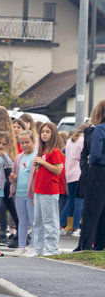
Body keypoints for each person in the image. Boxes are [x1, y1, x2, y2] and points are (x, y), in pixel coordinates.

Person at [30, 123, 64, 257]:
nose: (44, 134)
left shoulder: (55, 151)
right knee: (37, 222)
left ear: (53, 134)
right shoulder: (43, 151)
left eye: (47, 132)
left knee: (50, 221)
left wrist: (43, 163)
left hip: (49, 191)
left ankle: (51, 250)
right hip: (39, 190)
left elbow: (58, 170)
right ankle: (37, 249)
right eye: (42, 132)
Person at [76, 100, 105, 251]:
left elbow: (95, 152)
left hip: (99, 170)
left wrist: (90, 160)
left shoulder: (100, 128)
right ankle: (100, 245)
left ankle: (84, 245)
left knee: (91, 209)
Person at [0, 107, 19, 246]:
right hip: (9, 167)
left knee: (2, 202)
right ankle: (19, 230)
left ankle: (1, 232)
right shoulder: (10, 132)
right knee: (9, 203)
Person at [11, 130, 37, 257]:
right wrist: (12, 177)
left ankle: (33, 245)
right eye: (22, 143)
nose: (25, 145)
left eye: (27, 142)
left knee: (33, 221)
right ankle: (21, 245)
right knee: (22, 221)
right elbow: (14, 175)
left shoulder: (36, 157)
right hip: (19, 193)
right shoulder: (18, 157)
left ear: (34, 142)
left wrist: (35, 194)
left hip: (31, 194)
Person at [59, 129, 83, 237]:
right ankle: (76, 227)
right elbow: (81, 157)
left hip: (69, 174)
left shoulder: (69, 142)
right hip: (79, 172)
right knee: (79, 200)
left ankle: (60, 225)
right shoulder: (82, 141)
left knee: (70, 200)